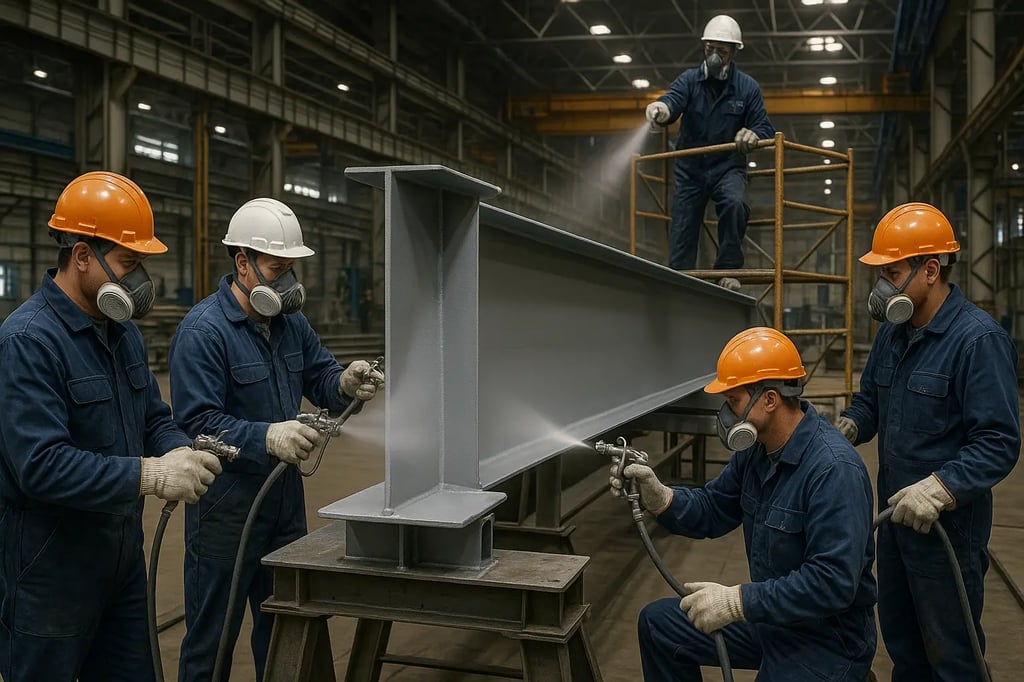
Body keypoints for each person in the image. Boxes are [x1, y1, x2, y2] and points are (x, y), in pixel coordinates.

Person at [0, 171, 223, 681]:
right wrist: (148, 476)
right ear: (81, 255)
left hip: (120, 562)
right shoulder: (28, 341)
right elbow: (40, 466)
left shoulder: (120, 335)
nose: (138, 284)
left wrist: (179, 452)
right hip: (49, 570)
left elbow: (153, 419)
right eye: (128, 265)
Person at [169, 197, 384, 681]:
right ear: (242, 262)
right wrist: (267, 437)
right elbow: (196, 424)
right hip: (225, 512)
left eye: (291, 269)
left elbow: (322, 377)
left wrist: (346, 382)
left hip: (283, 507)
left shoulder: (292, 324)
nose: (286, 281)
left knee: (290, 631)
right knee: (212, 641)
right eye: (275, 268)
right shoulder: (203, 332)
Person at [611, 327, 877, 681]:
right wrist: (661, 497)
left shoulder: (833, 470)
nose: (726, 414)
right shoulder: (757, 452)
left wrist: (738, 602)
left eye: (734, 401)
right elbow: (714, 508)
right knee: (660, 626)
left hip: (826, 640)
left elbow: (832, 583)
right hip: (771, 620)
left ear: (769, 399)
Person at [837, 201, 1020, 680]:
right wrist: (846, 429)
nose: (880, 288)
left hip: (947, 533)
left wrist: (939, 488)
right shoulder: (892, 336)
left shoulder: (978, 341)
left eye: (891, 273)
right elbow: (870, 405)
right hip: (895, 521)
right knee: (903, 643)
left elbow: (998, 442)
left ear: (931, 270)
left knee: (952, 653)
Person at [645, 15, 775, 289]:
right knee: (682, 223)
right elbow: (673, 99)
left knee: (735, 204)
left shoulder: (747, 87)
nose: (715, 56)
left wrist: (753, 133)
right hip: (690, 168)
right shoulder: (689, 81)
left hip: (727, 167)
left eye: (722, 51)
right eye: (710, 49)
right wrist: (662, 109)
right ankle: (680, 278)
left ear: (734, 52)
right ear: (704, 47)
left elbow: (763, 125)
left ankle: (728, 270)